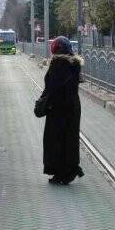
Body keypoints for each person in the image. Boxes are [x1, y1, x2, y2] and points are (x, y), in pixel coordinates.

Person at [40, 36, 84, 184]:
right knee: (70, 139)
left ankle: (59, 172)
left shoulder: (58, 64)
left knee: (55, 140)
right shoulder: (75, 63)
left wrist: (43, 103)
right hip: (73, 106)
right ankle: (70, 170)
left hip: (58, 108)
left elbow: (52, 88)